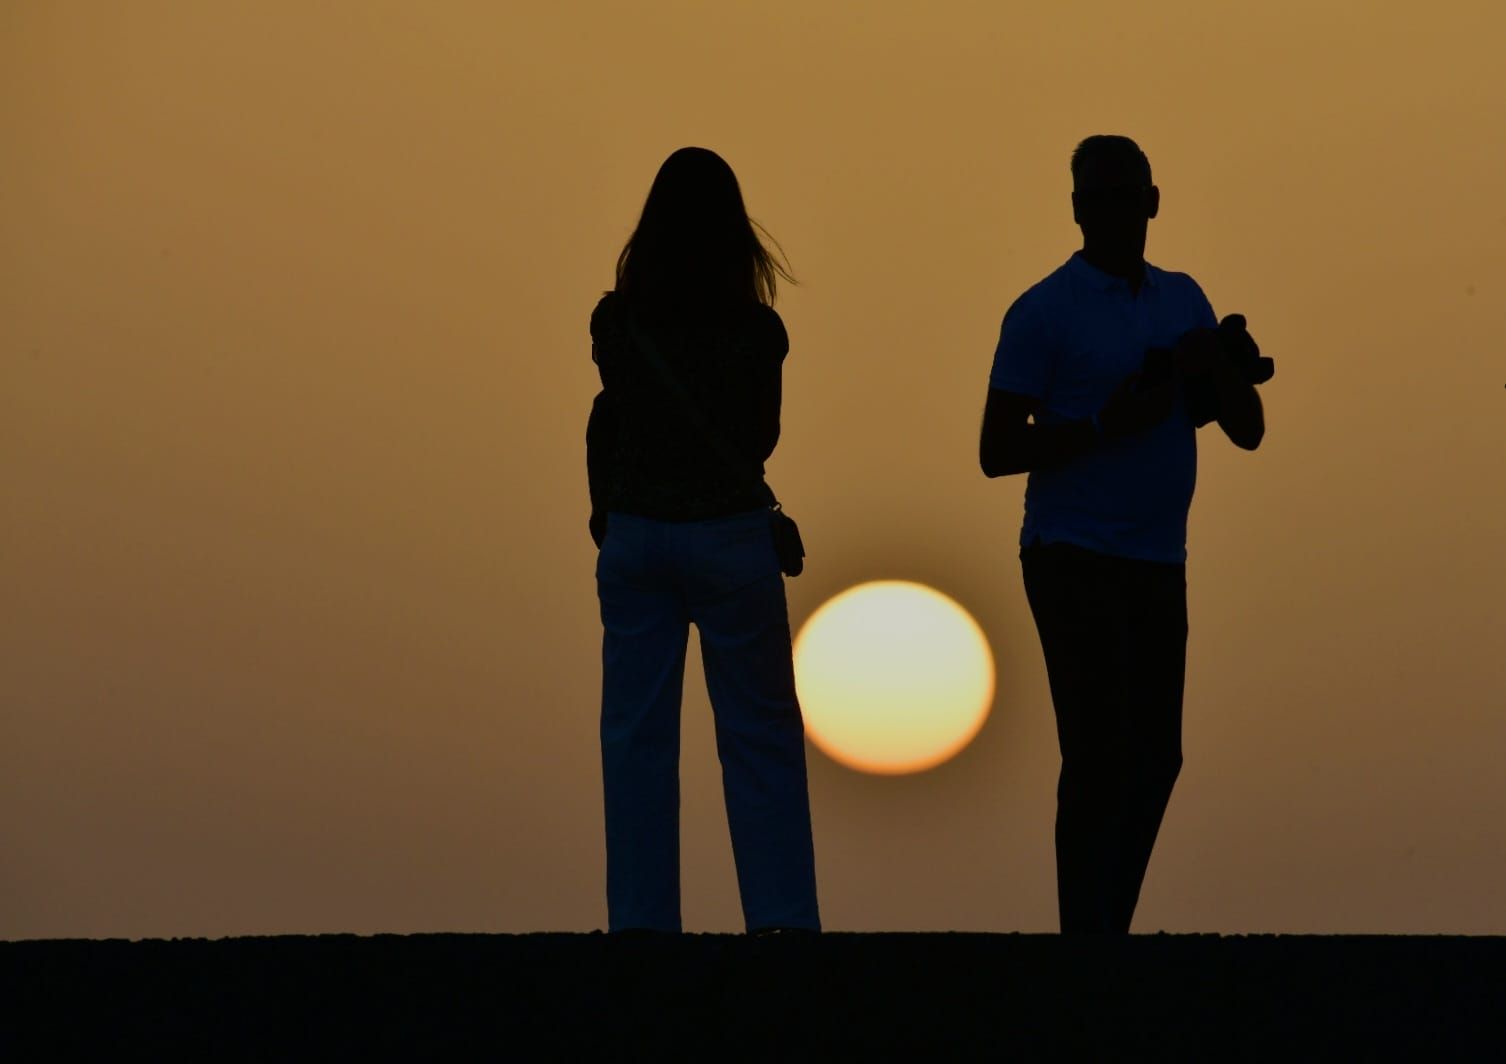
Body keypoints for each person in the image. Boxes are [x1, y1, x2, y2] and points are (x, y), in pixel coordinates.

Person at [979, 135, 1269, 934]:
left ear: (1152, 203)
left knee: (1156, 758)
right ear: (1076, 210)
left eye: (1125, 196)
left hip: (1154, 560)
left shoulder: (1184, 302)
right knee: (1099, 754)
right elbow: (996, 451)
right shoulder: (1042, 313)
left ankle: (1104, 931)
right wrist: (1104, 421)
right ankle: (1089, 941)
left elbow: (1246, 428)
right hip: (1070, 554)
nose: (1111, 212)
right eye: (1095, 198)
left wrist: (1217, 367)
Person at [586, 147, 820, 935]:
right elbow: (761, 437)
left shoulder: (615, 322)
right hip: (725, 537)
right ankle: (783, 922)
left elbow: (612, 413)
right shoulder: (757, 332)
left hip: (636, 535)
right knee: (760, 740)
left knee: (636, 740)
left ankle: (641, 926)